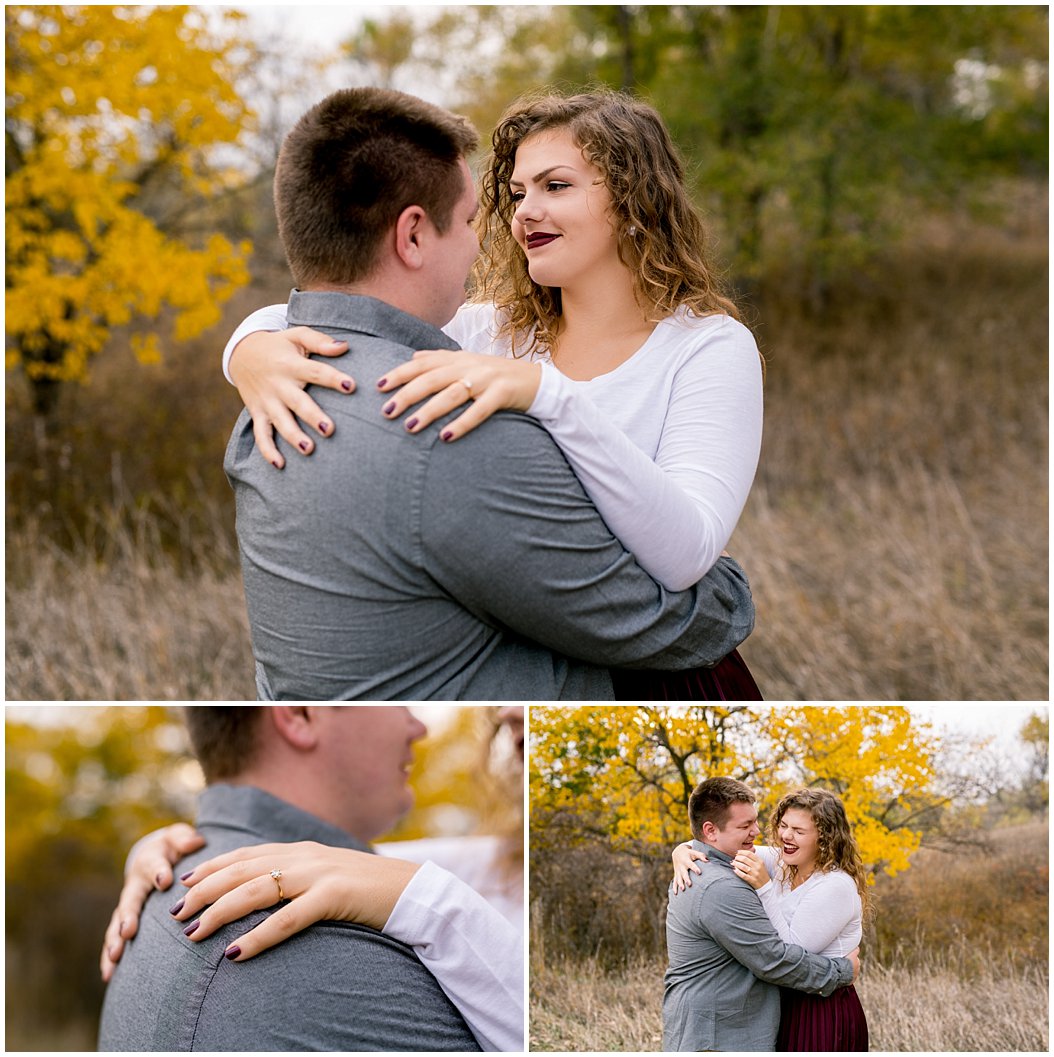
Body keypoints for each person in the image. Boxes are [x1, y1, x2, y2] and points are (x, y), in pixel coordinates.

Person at [220, 87, 764, 700]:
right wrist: (248, 351)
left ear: (635, 197)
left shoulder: (709, 348)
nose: (525, 210)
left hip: (665, 677)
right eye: (515, 194)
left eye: (555, 186)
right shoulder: (484, 329)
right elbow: (348, 309)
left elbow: (688, 554)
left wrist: (549, 395)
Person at [100, 706, 525, 1052]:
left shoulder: (169, 903)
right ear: (300, 714)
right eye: (399, 705)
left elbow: (396, 877)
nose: (419, 726)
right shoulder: (349, 972)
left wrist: (430, 901)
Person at [663, 777, 859, 1052]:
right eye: (745, 825)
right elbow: (775, 959)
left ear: (824, 837)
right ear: (710, 831)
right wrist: (843, 970)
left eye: (798, 830)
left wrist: (685, 849)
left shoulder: (741, 862)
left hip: (816, 1007)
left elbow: (705, 840)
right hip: (720, 1034)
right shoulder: (723, 884)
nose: (758, 831)